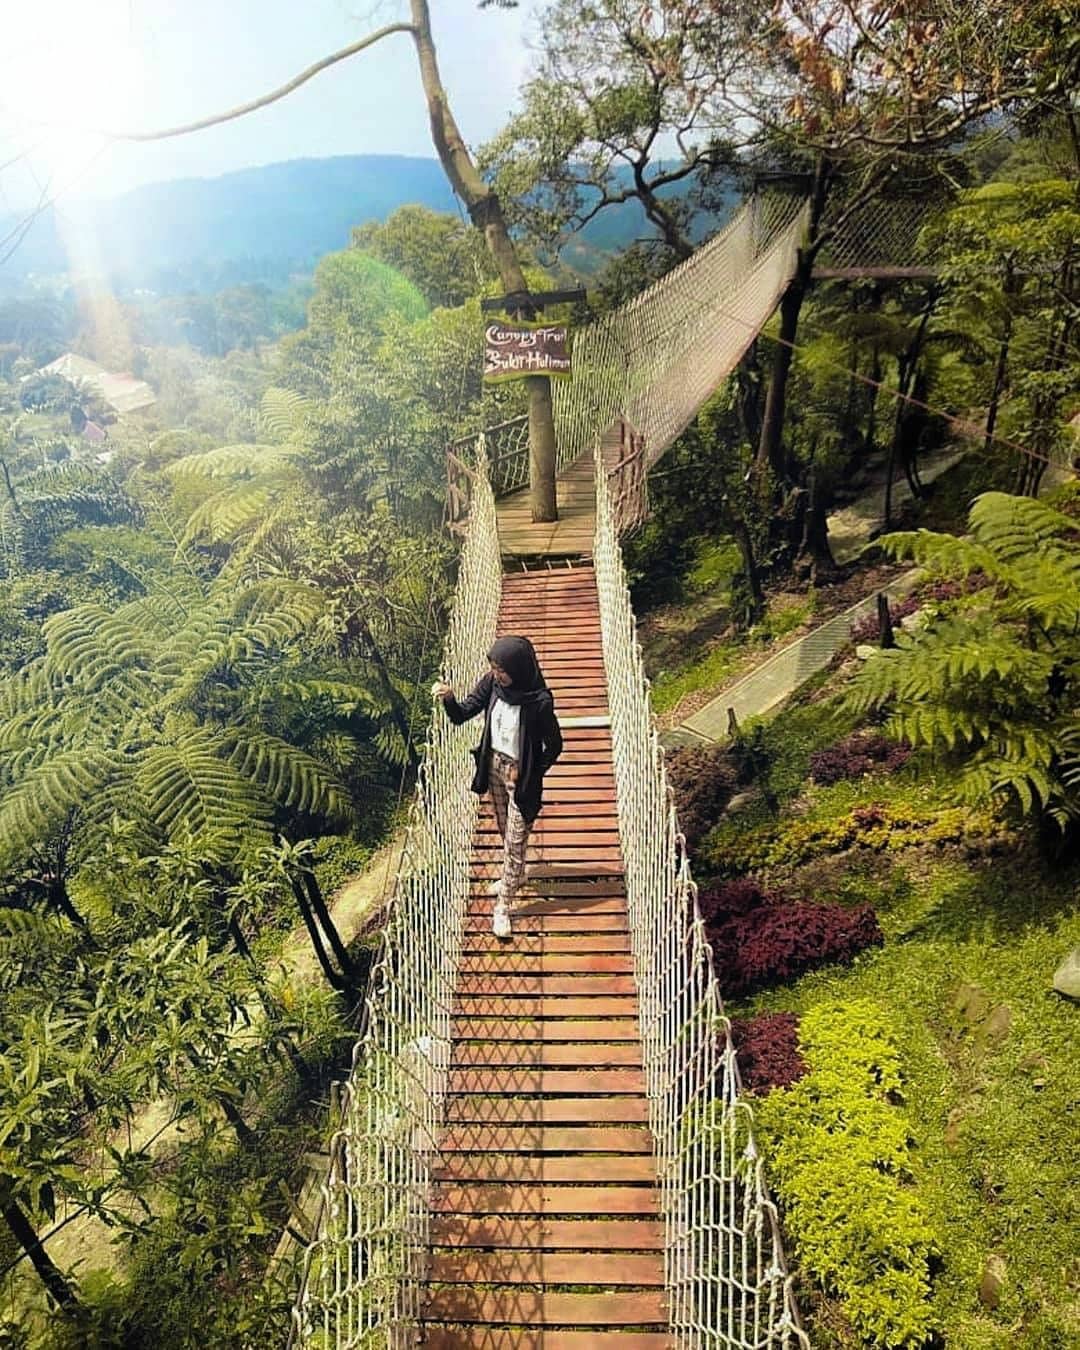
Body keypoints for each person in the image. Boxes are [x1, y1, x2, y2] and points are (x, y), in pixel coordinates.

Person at [432, 635, 563, 938]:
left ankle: (503, 906)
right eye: (493, 667)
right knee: (506, 831)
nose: (496, 674)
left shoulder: (539, 701)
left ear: (518, 668)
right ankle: (512, 877)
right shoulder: (492, 683)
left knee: (516, 840)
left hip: (520, 778)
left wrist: (531, 771)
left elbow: (555, 745)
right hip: (492, 767)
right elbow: (462, 714)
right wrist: (450, 697)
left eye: (502, 669)